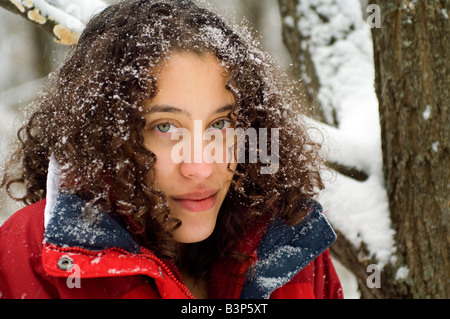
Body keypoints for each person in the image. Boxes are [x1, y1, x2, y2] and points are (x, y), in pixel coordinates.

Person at [0, 0, 343, 299]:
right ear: (104, 135)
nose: (201, 167)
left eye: (220, 124)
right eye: (165, 127)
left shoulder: (291, 243)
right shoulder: (30, 256)